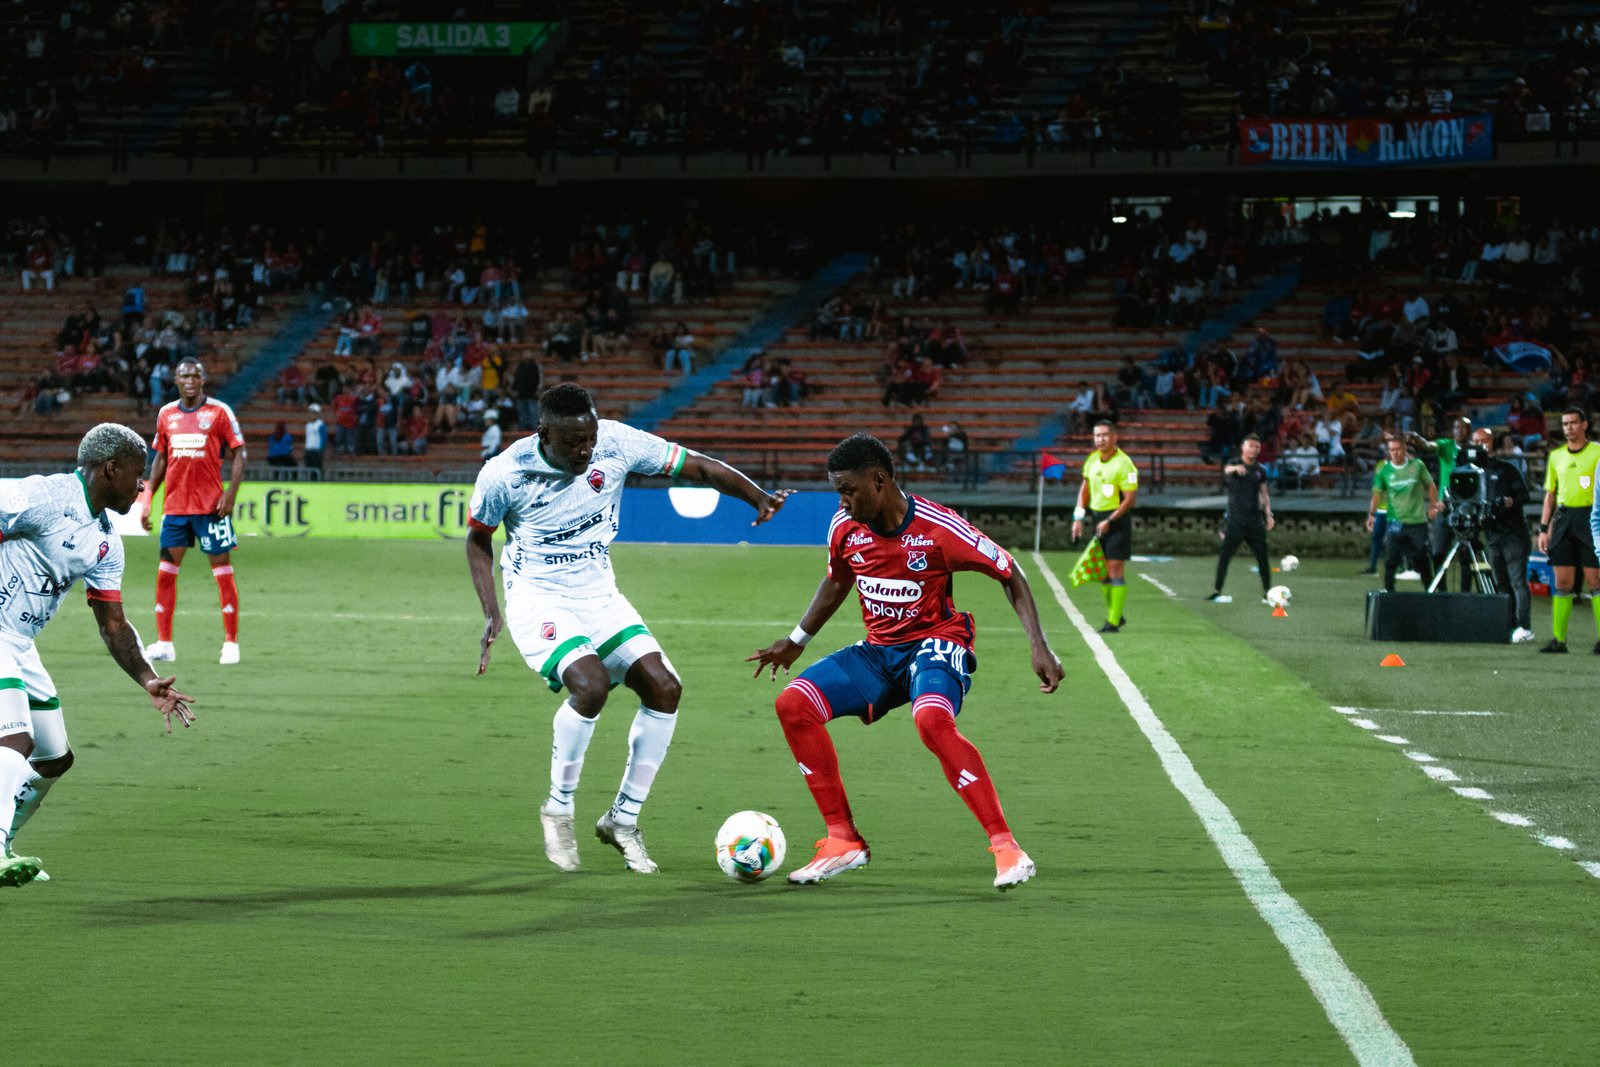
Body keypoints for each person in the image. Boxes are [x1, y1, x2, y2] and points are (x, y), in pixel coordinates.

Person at [466, 384, 790, 874]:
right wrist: (492, 611)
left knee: (665, 687)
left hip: (598, 593)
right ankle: (558, 808)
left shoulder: (617, 442)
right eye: (573, 442)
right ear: (544, 434)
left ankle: (622, 820)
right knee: (591, 685)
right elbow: (478, 539)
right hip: (538, 597)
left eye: (590, 439)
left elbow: (698, 466)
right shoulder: (505, 474)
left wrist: (758, 498)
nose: (585, 450)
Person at [745, 433, 1062, 890]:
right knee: (793, 705)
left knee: (932, 720)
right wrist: (797, 640)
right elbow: (837, 580)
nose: (842, 501)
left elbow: (1009, 572)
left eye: (848, 490)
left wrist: (1039, 645)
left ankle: (1006, 847)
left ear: (878, 481)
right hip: (879, 653)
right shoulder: (844, 526)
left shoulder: (940, 529)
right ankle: (843, 840)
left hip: (937, 643)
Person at [0, 423, 195, 888]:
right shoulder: (45, 497)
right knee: (15, 739)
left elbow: (113, 624)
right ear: (111, 469)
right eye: (138, 473)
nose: (143, 485)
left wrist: (148, 678)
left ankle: (4, 843)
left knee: (53, 757)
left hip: (18, 643)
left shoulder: (106, 540)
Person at [140, 360, 247, 665]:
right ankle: (164, 643)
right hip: (175, 510)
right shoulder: (166, 414)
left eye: (196, 375)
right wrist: (147, 499)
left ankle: (231, 642)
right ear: (176, 380)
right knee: (165, 573)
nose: (190, 380)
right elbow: (160, 458)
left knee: (222, 572)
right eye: (185, 375)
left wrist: (231, 494)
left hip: (211, 508)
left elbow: (240, 453)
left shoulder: (219, 412)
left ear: (203, 380)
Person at [1538, 407, 1600, 653]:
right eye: (1565, 424)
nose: (1569, 428)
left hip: (1591, 518)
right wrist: (1544, 529)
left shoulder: (1597, 452)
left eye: (1573, 423)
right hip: (1563, 520)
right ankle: (1559, 640)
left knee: (1595, 581)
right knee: (1562, 582)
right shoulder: (1556, 456)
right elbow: (1550, 495)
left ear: (1584, 425)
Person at [1072, 421, 1138, 633]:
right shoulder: (1092, 460)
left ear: (1114, 437)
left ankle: (1113, 622)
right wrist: (1078, 517)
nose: (1100, 439)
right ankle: (1116, 614)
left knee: (1115, 568)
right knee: (1103, 573)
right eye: (1097, 435)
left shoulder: (1125, 464)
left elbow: (1130, 499)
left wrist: (1110, 521)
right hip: (1097, 519)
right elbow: (1085, 489)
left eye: (1105, 435)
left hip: (1117, 520)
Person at [1472, 429, 1535, 643]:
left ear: (1492, 442)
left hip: (1513, 533)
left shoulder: (1507, 469)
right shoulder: (1471, 472)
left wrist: (1511, 502)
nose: (1480, 445)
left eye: (1484, 440)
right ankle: (1507, 625)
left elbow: (1524, 495)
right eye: (1476, 441)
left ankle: (1524, 627)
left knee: (1517, 582)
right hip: (1492, 535)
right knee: (1501, 584)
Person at [1367, 433, 1441, 593]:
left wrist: (1433, 505)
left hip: (1417, 522)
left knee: (1421, 556)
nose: (1395, 453)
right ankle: (1389, 592)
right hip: (1396, 522)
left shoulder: (1417, 466)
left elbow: (1430, 484)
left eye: (1398, 449)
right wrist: (1372, 514)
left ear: (1405, 449)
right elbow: (1376, 494)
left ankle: (1430, 589)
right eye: (1391, 450)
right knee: (1391, 559)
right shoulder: (1385, 471)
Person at [1208, 434, 1276, 603]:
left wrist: (1268, 514)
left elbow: (1264, 495)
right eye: (1251, 446)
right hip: (1235, 520)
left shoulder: (1260, 470)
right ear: (1243, 447)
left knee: (1262, 557)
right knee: (1225, 556)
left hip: (1254, 521)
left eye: (1257, 447)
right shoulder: (1234, 463)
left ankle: (1267, 592)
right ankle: (1217, 591)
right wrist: (1234, 469)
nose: (1254, 449)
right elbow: (1226, 470)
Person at [1408, 417, 1472, 589]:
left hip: (1467, 507)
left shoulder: (1475, 451)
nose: (1460, 431)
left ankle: (1466, 594)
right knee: (1438, 552)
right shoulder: (1446, 445)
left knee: (1467, 554)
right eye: (1457, 427)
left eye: (1464, 428)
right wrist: (1417, 438)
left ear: (1469, 431)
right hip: (1445, 506)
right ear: (1453, 430)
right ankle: (1442, 590)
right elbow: (1429, 446)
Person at [303, 403, 326, 480]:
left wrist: (321, 449)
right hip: (308, 450)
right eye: (310, 412)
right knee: (308, 469)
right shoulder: (308, 425)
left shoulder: (320, 424)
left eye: (313, 413)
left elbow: (323, 438)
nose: (311, 414)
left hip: (316, 451)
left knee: (316, 469)